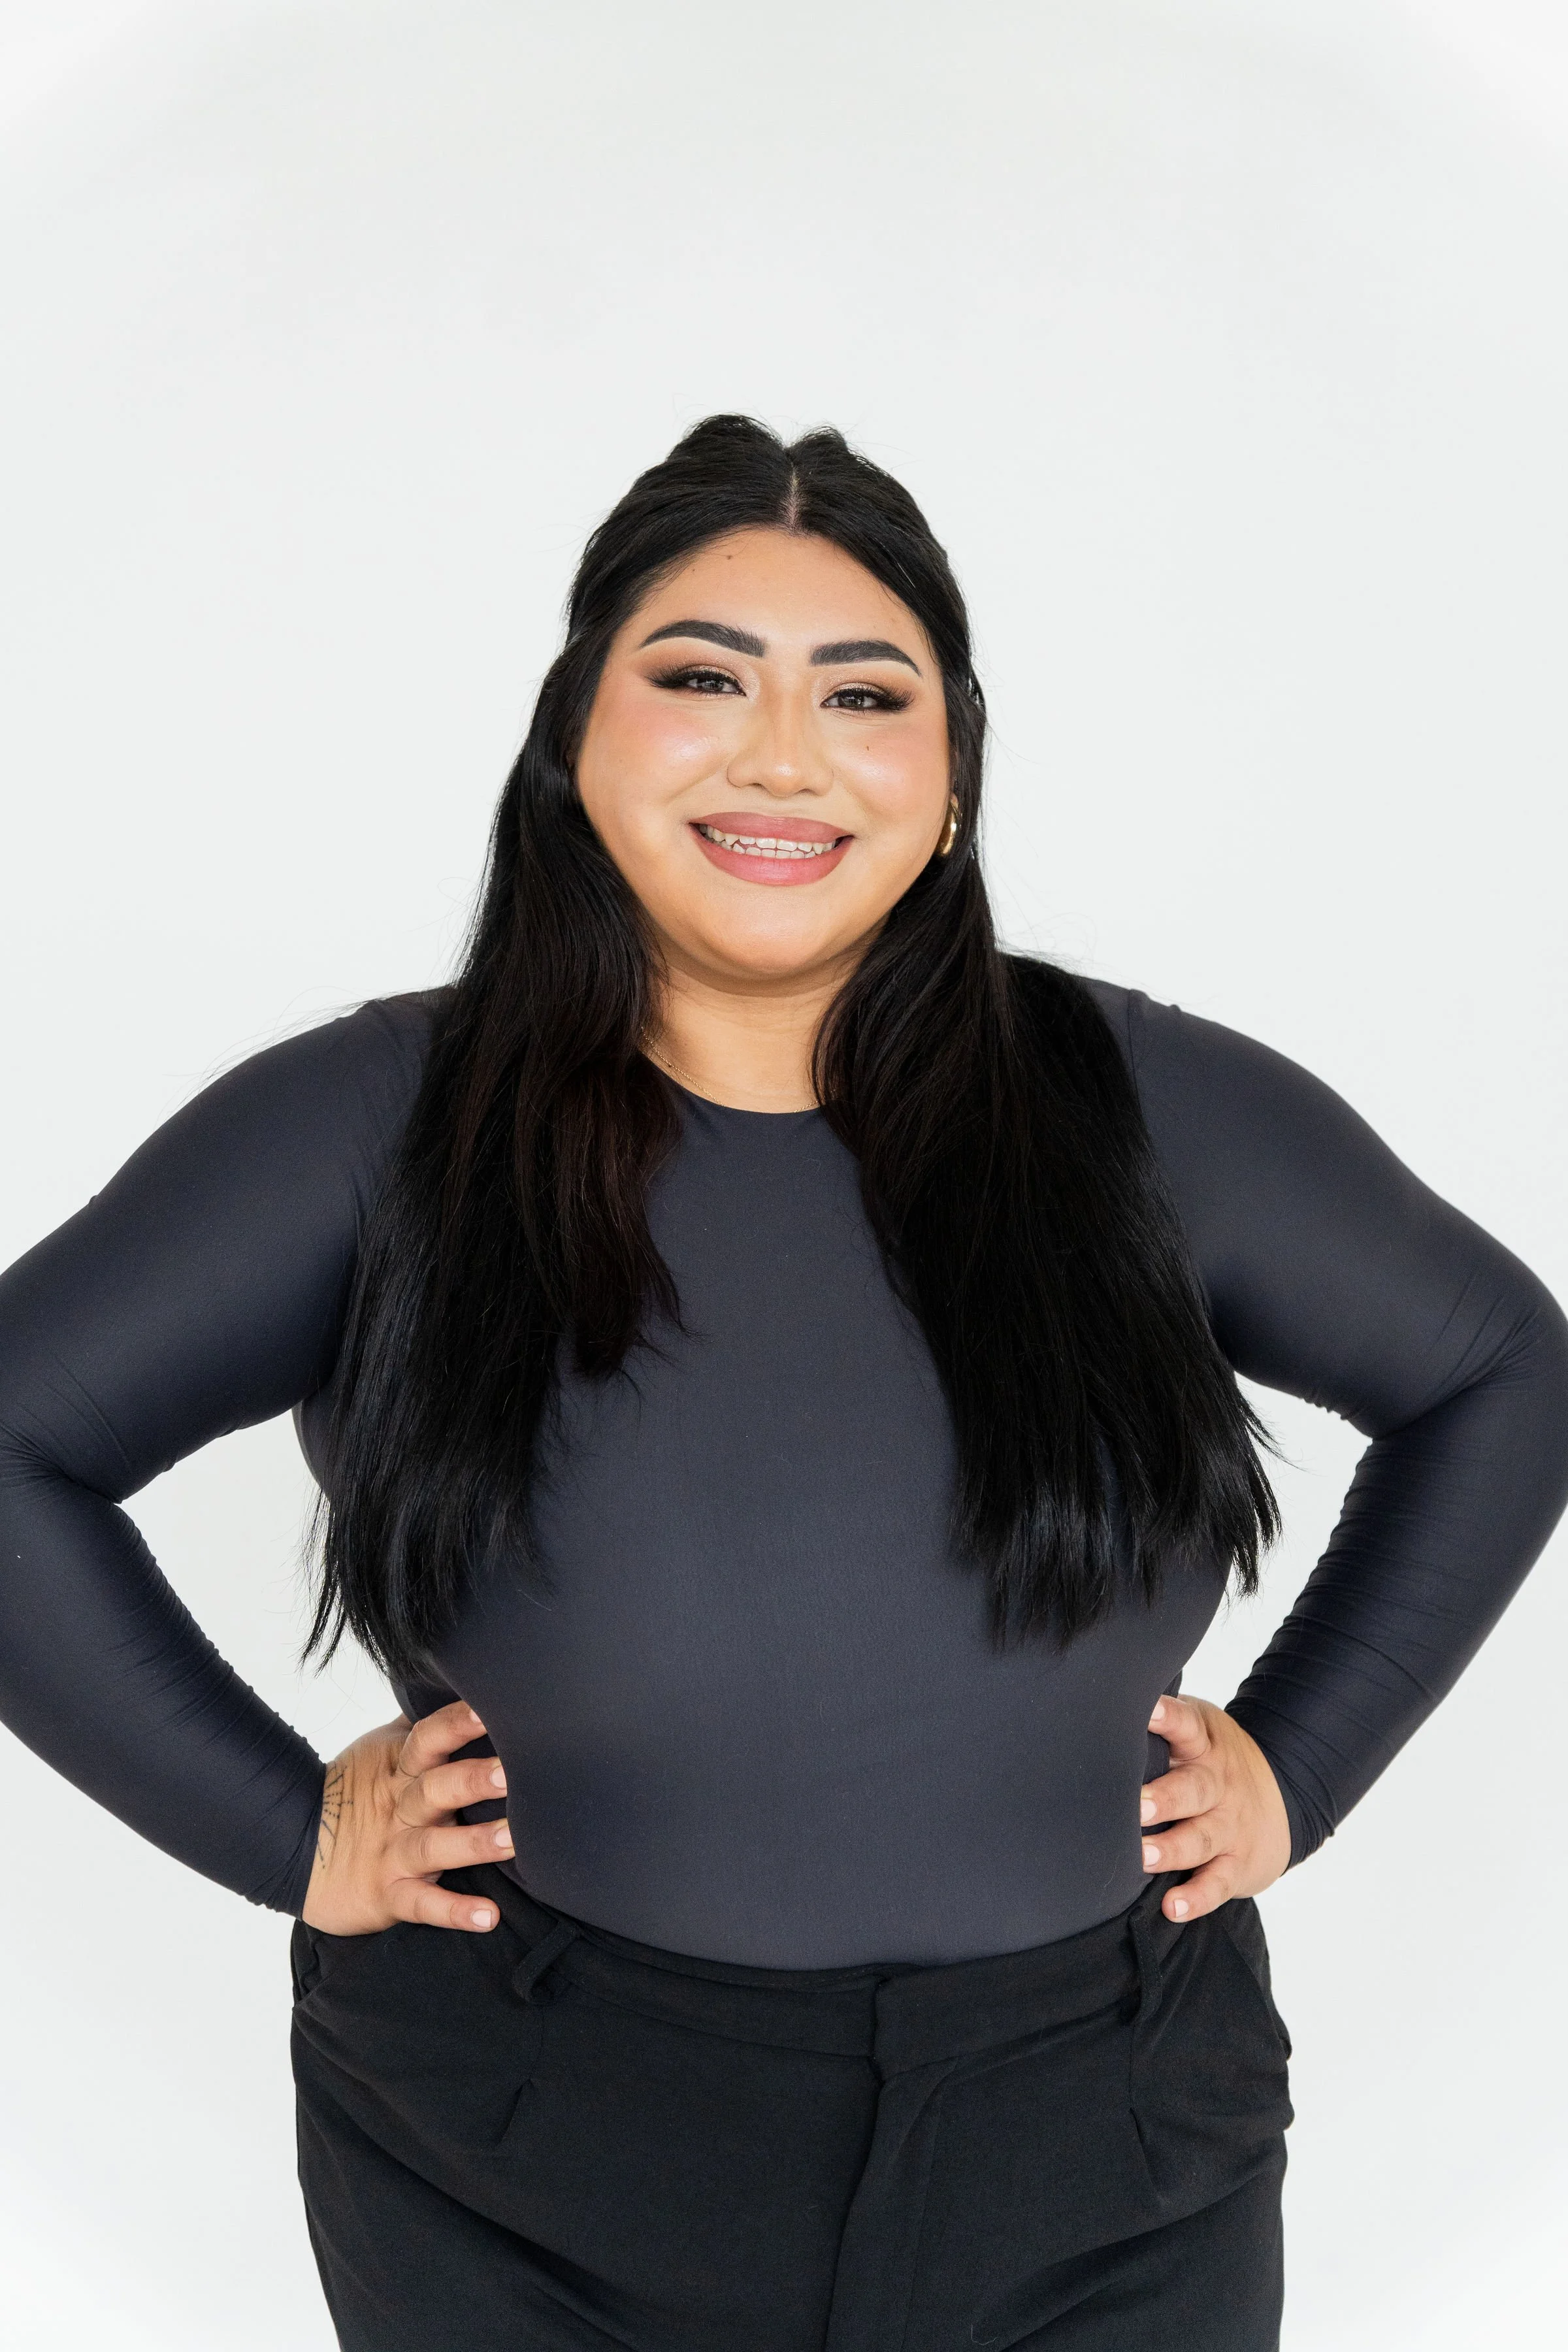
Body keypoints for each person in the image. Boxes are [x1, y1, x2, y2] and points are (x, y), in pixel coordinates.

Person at [1, 416, 1564, 2352]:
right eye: (699, 679)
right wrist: (278, 1830)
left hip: (1109, 2149)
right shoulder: (371, 1130)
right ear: (575, 736)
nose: (781, 754)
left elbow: (1505, 1371)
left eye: (864, 694)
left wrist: (1305, 1767)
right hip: (529, 2151)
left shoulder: (1156, 1114)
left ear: (953, 773)